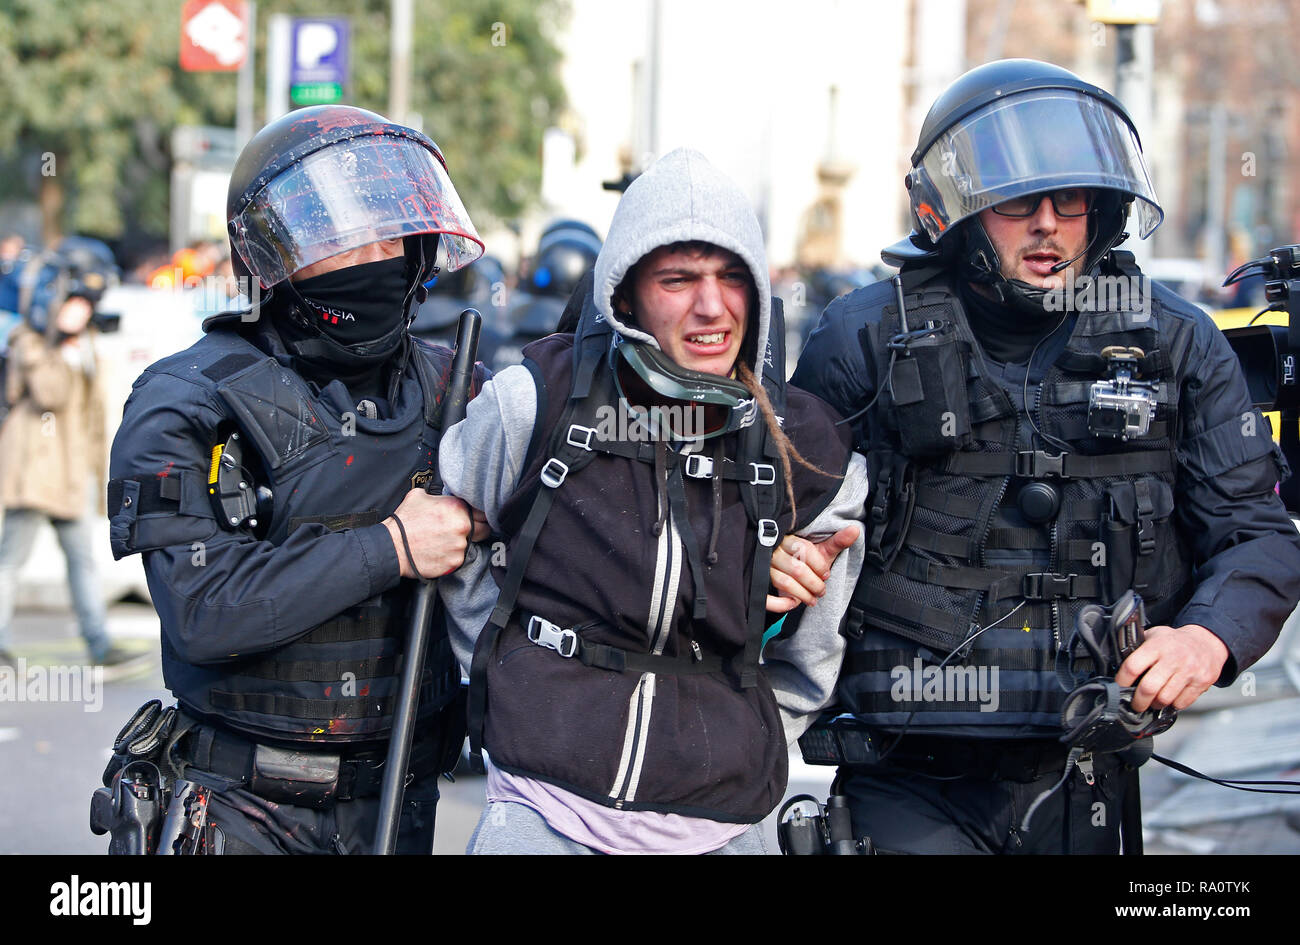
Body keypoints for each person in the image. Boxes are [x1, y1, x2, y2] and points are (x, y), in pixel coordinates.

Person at [775, 59, 1300, 854]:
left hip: (1090, 775)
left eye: (1072, 199)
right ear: (958, 211)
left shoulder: (1177, 342)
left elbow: (1256, 532)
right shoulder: (864, 336)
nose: (1049, 223)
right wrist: (778, 560)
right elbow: (770, 521)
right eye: (1020, 201)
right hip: (907, 776)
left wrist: (1206, 638)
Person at [438, 147, 868, 855]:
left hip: (726, 823)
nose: (711, 305)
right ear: (626, 291)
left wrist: (757, 720)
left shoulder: (807, 449)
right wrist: (508, 671)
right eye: (678, 278)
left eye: (732, 277)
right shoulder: (533, 402)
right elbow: (453, 538)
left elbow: (815, 654)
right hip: (545, 812)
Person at [100, 105, 490, 854]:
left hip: (401, 801)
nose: (370, 255)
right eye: (338, 240)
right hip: (247, 808)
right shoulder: (185, 400)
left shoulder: (461, 386)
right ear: (275, 261)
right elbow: (205, 610)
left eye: (386, 234)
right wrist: (392, 546)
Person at [0, 238, 131, 668]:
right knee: (9, 563)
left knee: (82, 561)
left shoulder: (84, 343)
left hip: (69, 474)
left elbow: (94, 417)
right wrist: (61, 342)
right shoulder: (29, 340)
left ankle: (99, 644)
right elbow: (51, 394)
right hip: (33, 471)